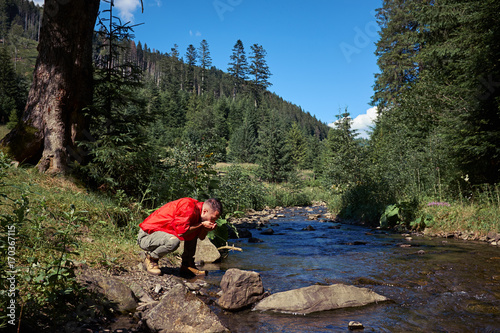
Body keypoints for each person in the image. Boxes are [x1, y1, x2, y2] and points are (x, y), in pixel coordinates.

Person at [137, 197, 222, 276]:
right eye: (213, 218)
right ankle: (151, 258)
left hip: (161, 236)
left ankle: (186, 265)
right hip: (147, 236)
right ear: (205, 211)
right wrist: (201, 225)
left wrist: (206, 228)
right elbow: (182, 233)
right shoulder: (188, 207)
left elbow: (201, 237)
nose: (213, 222)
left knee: (193, 230)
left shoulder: (200, 213)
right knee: (173, 241)